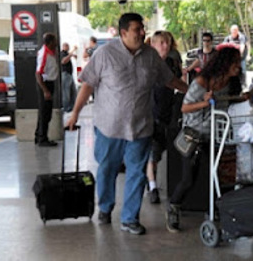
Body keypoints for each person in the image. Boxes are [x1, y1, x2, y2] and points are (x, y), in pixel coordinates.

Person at [66, 13, 188, 235]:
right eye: (137, 30)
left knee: (137, 173)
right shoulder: (104, 54)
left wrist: (191, 91)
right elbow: (88, 85)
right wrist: (75, 113)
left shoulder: (151, 56)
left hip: (140, 127)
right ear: (123, 33)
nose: (142, 33)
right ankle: (104, 208)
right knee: (107, 170)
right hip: (109, 128)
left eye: (142, 29)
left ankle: (130, 218)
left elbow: (169, 79)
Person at [166, 46, 245, 233]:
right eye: (235, 62)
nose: (238, 66)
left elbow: (230, 101)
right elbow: (185, 108)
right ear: (225, 63)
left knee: (218, 175)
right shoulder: (203, 81)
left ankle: (215, 209)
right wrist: (206, 101)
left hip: (217, 134)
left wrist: (245, 97)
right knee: (188, 178)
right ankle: (174, 207)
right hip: (194, 135)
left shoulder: (232, 82)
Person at [146, 31, 183, 204]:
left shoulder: (171, 63)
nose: (165, 46)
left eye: (167, 42)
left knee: (162, 152)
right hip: (150, 115)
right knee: (152, 154)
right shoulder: (146, 65)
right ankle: (152, 186)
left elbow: (176, 83)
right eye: (161, 43)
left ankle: (153, 182)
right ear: (153, 45)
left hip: (167, 114)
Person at [34, 32, 59, 147]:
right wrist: (45, 90)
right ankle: (42, 138)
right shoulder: (44, 54)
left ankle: (39, 135)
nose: (56, 43)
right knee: (45, 113)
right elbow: (38, 73)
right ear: (50, 43)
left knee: (45, 112)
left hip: (50, 83)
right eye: (54, 41)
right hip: (45, 84)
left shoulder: (51, 52)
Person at [61, 43, 77, 112]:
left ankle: (72, 106)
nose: (68, 47)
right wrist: (71, 54)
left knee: (73, 92)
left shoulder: (67, 53)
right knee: (66, 92)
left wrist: (72, 55)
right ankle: (66, 107)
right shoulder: (62, 54)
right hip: (65, 74)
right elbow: (63, 61)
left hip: (70, 75)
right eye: (67, 46)